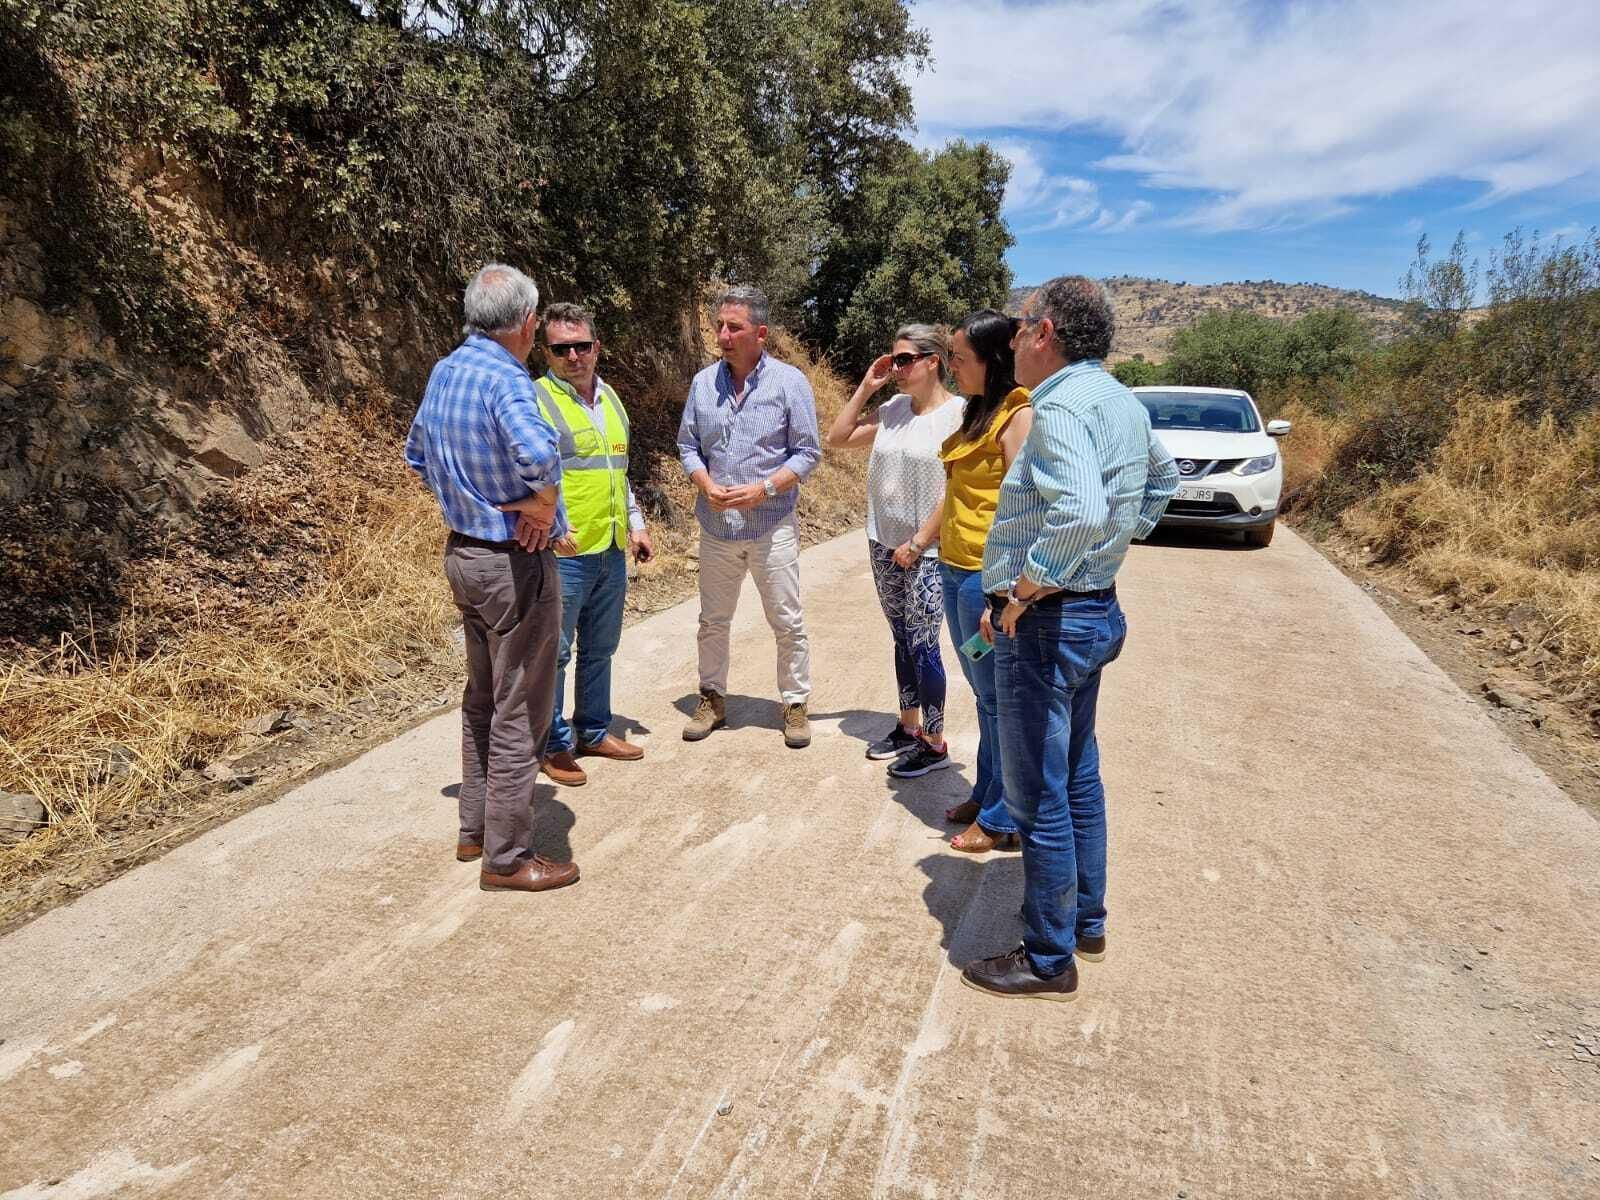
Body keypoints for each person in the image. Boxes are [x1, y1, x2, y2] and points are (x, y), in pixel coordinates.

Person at [961, 276, 1178, 1001]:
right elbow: (1162, 481)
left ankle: (1049, 958)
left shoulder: (1055, 410)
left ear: (1044, 331)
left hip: (1049, 623)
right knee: (1079, 774)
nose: (1015, 340)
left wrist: (1026, 590)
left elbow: (1079, 512)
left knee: (1037, 797)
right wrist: (1114, 547)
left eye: (1021, 327)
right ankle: (1086, 920)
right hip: (1095, 613)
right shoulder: (1120, 400)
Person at [404, 263, 581, 894]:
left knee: (482, 697)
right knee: (521, 709)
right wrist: (539, 507)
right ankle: (506, 858)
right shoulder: (509, 379)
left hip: (463, 557)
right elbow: (539, 455)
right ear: (529, 324)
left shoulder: (446, 369)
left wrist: (468, 503)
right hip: (513, 565)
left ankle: (474, 827)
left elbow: (417, 453)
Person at [676, 285, 823, 748]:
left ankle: (795, 704)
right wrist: (705, 484)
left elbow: (807, 453)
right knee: (713, 620)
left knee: (787, 620)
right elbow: (686, 446)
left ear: (760, 333)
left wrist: (764, 488)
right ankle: (711, 698)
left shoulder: (789, 382)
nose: (722, 334)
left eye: (733, 327)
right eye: (719, 325)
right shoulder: (703, 383)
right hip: (716, 528)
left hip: (771, 524)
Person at [826, 326, 964, 777]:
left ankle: (935, 741)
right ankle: (908, 728)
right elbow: (839, 438)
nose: (897, 368)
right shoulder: (893, 409)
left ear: (933, 361)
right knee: (901, 638)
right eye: (894, 359)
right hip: (883, 541)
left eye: (904, 360)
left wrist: (919, 541)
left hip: (928, 548)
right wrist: (868, 385)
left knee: (925, 644)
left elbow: (956, 487)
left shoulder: (960, 416)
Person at [531, 302, 655, 788]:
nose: (574, 355)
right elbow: (531, 476)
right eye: (563, 348)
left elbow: (617, 474)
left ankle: (594, 730)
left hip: (609, 546)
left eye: (582, 345)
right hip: (563, 551)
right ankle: (552, 744)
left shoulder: (611, 400)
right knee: (555, 652)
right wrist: (552, 526)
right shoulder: (537, 400)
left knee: (601, 647)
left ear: (597, 347)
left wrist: (638, 524)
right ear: (547, 352)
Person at [938, 310, 1033, 851]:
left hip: (983, 576)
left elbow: (1023, 510)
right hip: (954, 569)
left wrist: (1001, 595)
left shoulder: (1017, 414)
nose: (953, 366)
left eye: (960, 358)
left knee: (999, 698)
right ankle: (987, 791)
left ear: (993, 361)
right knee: (983, 693)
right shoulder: (977, 412)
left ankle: (1002, 817)